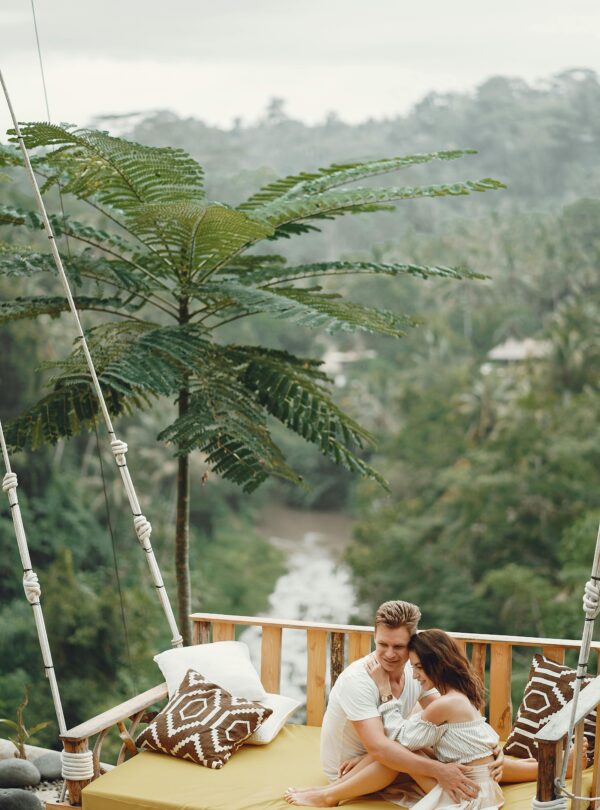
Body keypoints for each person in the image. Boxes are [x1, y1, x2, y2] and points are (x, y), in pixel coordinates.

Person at [286, 628, 504, 808]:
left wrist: (385, 691)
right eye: (413, 667)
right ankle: (328, 790)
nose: (415, 675)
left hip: (469, 795)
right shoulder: (458, 696)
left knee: (399, 750)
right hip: (478, 787)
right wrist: (497, 751)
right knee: (404, 749)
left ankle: (329, 796)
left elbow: (398, 737)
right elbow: (478, 734)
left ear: (438, 665)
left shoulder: (444, 704)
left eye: (419, 668)